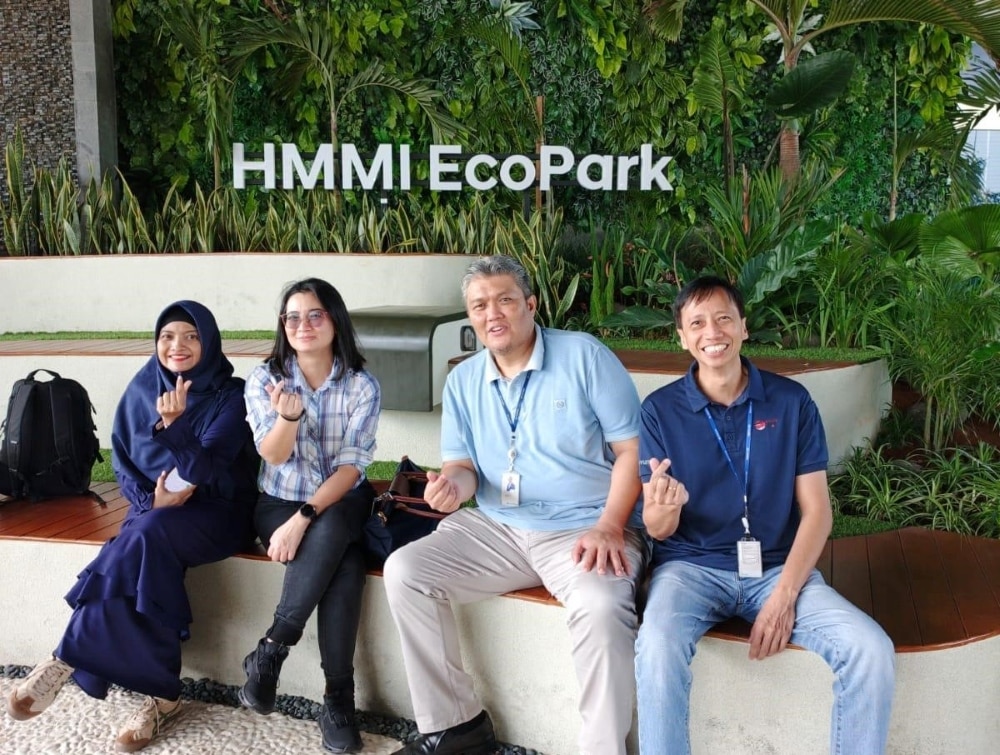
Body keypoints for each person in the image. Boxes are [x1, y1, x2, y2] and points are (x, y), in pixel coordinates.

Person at [383, 255, 645, 755]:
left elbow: (633, 451)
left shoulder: (584, 356)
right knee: (406, 570)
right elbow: (461, 465)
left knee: (600, 605)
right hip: (498, 527)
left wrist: (612, 524)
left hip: (585, 526)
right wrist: (452, 487)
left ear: (530, 304)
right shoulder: (463, 380)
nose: (492, 313)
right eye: (479, 305)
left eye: (504, 300)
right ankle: (454, 728)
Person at [635, 276, 896, 754]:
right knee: (656, 647)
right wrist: (661, 509)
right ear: (682, 338)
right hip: (691, 568)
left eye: (723, 318)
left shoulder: (790, 401)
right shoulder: (659, 410)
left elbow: (817, 512)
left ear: (743, 327)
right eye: (697, 323)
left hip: (777, 567)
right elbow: (658, 530)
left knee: (870, 649)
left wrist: (784, 596)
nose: (712, 332)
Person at [6, 301, 258, 752]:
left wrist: (176, 426)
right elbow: (122, 460)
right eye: (167, 336)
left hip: (219, 512)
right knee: (147, 540)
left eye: (191, 336)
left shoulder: (232, 396)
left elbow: (204, 469)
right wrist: (151, 501)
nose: (177, 345)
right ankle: (162, 698)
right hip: (153, 510)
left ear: (210, 342)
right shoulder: (143, 386)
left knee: (143, 535)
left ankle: (68, 655)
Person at [238, 278, 380, 754]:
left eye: (315, 314)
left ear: (335, 320)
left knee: (334, 523)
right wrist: (288, 418)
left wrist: (304, 517)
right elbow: (273, 456)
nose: (303, 325)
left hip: (340, 499)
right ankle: (339, 700)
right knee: (345, 561)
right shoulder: (265, 379)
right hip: (277, 502)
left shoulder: (361, 385)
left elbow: (351, 469)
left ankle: (272, 647)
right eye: (293, 317)